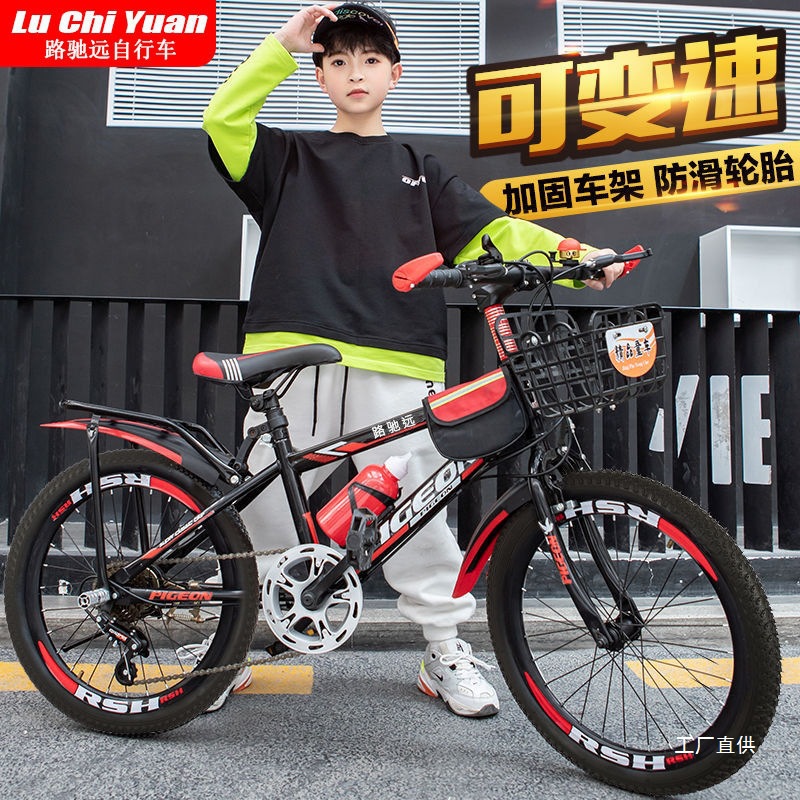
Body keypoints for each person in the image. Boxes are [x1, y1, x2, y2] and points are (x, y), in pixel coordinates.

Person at [201, 2, 622, 717]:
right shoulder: (285, 157)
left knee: (417, 508)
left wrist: (577, 256)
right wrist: (282, 45)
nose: (354, 72)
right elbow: (222, 121)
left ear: (395, 75)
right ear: (319, 75)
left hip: (397, 356)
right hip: (290, 356)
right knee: (261, 506)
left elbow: (495, 232)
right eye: (337, 60)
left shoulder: (419, 171)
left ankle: (443, 649)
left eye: (370, 60)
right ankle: (234, 644)